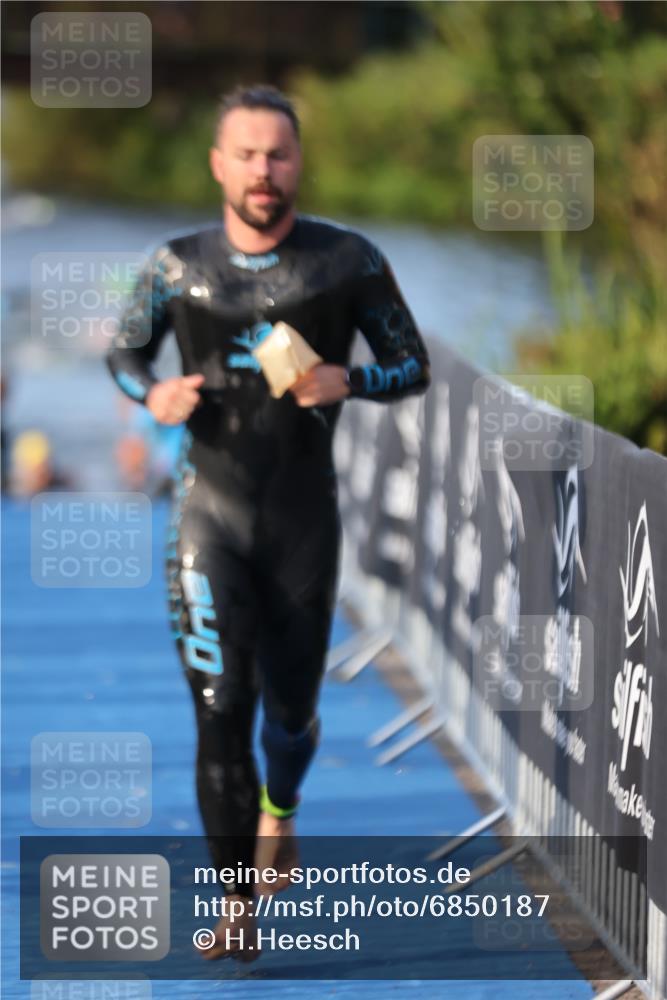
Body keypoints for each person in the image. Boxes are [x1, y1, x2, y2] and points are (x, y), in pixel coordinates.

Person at [106, 83, 430, 961]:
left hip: (300, 519)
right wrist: (154, 392)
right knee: (220, 712)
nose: (262, 170)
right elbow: (123, 350)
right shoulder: (176, 266)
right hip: (206, 516)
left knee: (288, 715)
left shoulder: (344, 263)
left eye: (277, 154)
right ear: (218, 164)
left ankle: (280, 814)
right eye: (246, 154)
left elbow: (412, 364)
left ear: (298, 163)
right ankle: (235, 906)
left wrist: (347, 382)